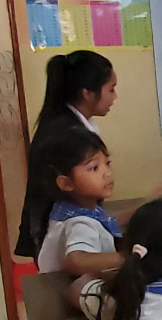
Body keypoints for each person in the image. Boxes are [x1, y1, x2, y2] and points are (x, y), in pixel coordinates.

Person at [16, 50, 116, 258]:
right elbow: (78, 259)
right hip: (57, 239)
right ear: (87, 93)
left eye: (107, 164)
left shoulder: (72, 124)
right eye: (111, 89)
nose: (114, 97)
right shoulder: (65, 134)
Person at [32, 129, 123, 276]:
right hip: (63, 293)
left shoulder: (78, 207)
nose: (107, 173)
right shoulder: (79, 223)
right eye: (94, 168)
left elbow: (108, 222)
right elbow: (78, 261)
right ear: (66, 183)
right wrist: (131, 257)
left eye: (107, 163)